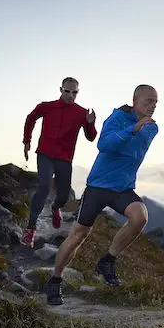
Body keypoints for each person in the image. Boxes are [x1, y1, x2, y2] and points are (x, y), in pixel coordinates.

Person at [45, 84, 159, 305]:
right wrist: (133, 128)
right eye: (149, 101)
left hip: (123, 189)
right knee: (78, 235)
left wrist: (139, 127)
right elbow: (104, 145)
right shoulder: (116, 119)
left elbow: (131, 153)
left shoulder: (152, 128)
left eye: (155, 102)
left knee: (140, 217)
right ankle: (55, 280)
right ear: (135, 100)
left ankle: (107, 260)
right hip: (98, 186)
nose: (153, 106)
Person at [22, 77, 97, 246]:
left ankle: (56, 208)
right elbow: (30, 118)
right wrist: (27, 140)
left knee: (63, 195)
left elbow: (91, 137)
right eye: (67, 91)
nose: (71, 96)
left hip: (64, 158)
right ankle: (30, 229)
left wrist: (90, 123)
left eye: (75, 92)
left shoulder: (81, 112)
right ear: (61, 90)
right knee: (44, 186)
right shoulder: (47, 107)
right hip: (45, 154)